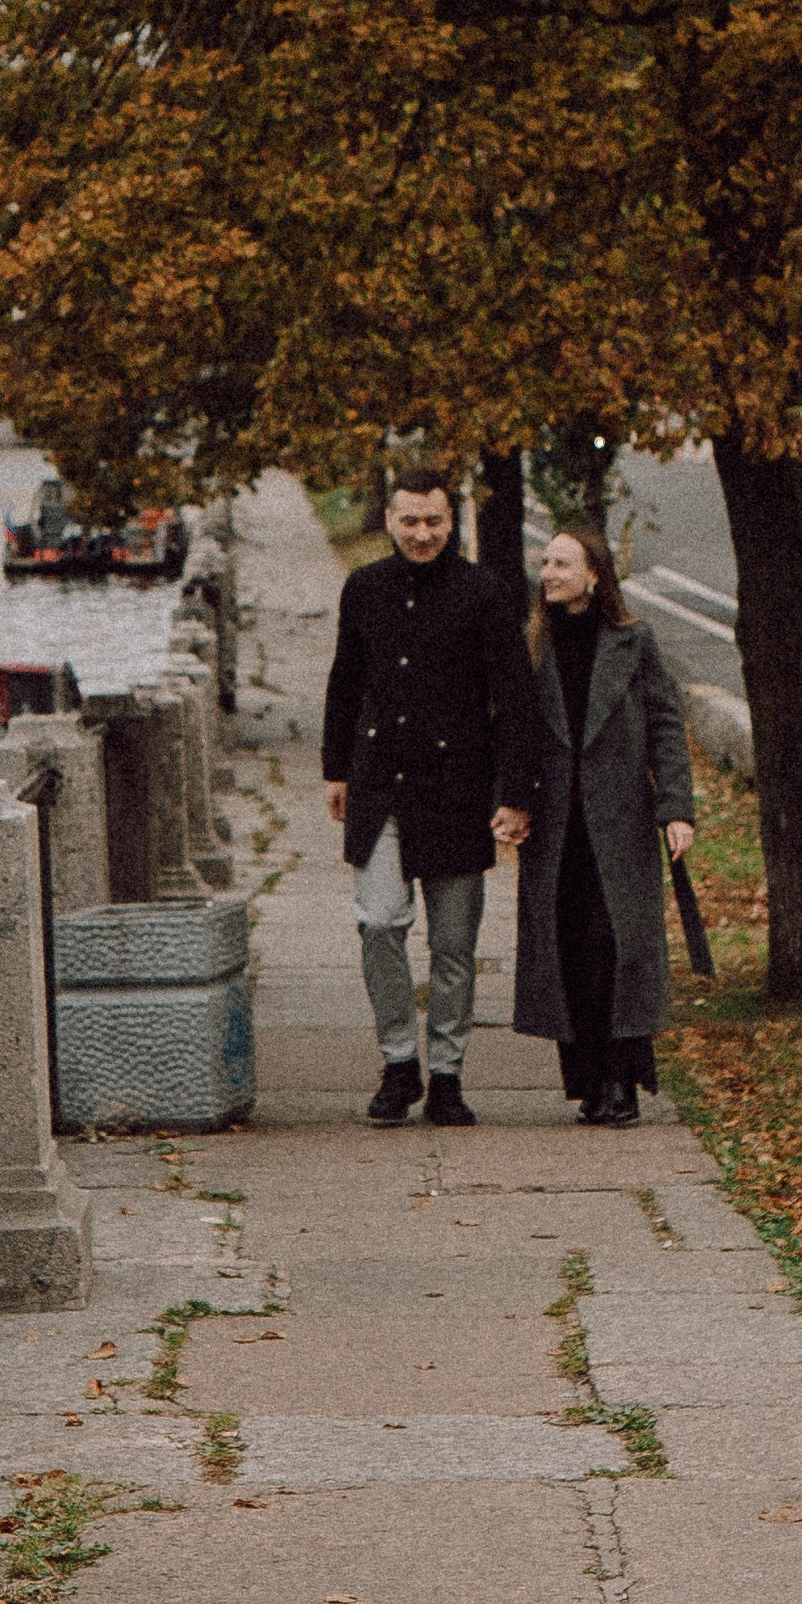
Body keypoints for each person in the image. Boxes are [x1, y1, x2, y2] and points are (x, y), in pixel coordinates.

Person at [321, 466, 537, 1126]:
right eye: (410, 521)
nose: (422, 534)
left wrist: (515, 791)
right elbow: (345, 680)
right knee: (380, 921)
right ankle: (398, 1064)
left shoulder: (483, 593)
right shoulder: (364, 589)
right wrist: (336, 770)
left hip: (458, 790)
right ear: (389, 520)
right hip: (380, 786)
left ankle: (446, 1073)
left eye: (434, 521)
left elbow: (516, 698)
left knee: (453, 946)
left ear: (452, 520)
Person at [512, 521, 696, 1128]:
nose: (548, 574)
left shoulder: (632, 642)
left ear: (595, 575)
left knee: (618, 946)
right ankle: (587, 1080)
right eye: (545, 564)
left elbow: (665, 723)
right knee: (567, 946)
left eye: (561, 564)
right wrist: (508, 801)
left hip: (620, 822)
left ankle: (622, 1078)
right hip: (555, 827)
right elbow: (509, 730)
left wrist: (676, 808)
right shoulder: (532, 645)